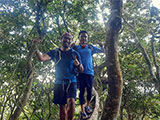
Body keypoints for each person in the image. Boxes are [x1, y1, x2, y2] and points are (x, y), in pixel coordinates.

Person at [33, 32, 83, 120]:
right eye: (65, 38)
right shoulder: (55, 52)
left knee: (71, 102)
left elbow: (81, 70)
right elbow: (42, 58)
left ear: (71, 41)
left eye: (69, 39)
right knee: (62, 106)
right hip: (59, 82)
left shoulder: (75, 53)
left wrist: (78, 65)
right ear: (61, 39)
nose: (67, 40)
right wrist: (35, 46)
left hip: (72, 81)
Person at [72, 30, 104, 119]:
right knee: (81, 91)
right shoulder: (76, 48)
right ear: (79, 38)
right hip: (80, 73)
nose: (84, 38)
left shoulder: (90, 47)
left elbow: (103, 51)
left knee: (89, 90)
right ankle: (82, 111)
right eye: (82, 36)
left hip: (90, 72)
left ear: (87, 38)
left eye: (85, 36)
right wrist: (71, 46)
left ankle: (87, 106)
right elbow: (68, 54)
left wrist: (102, 46)